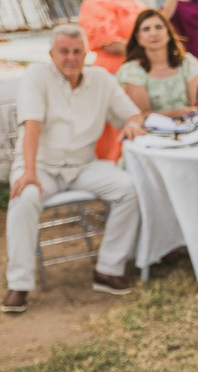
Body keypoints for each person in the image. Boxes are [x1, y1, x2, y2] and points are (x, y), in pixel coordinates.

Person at [3, 25, 145, 314]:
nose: (71, 57)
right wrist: (28, 173)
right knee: (25, 197)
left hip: (83, 166)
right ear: (51, 54)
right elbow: (32, 126)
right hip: (40, 164)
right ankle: (19, 284)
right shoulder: (37, 76)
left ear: (86, 54)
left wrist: (132, 124)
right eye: (64, 51)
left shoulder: (101, 79)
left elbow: (132, 114)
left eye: (77, 51)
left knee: (128, 190)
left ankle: (108, 268)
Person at [78, 0, 146, 161]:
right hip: (111, 73)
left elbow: (151, 24)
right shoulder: (93, 3)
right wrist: (149, 49)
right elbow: (110, 44)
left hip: (139, 69)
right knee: (116, 126)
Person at [118, 10, 198, 119]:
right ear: (138, 38)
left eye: (158, 27)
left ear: (168, 33)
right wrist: (176, 113)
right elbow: (142, 115)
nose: (153, 33)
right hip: (151, 133)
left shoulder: (188, 63)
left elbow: (197, 104)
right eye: (146, 29)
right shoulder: (131, 71)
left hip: (191, 127)